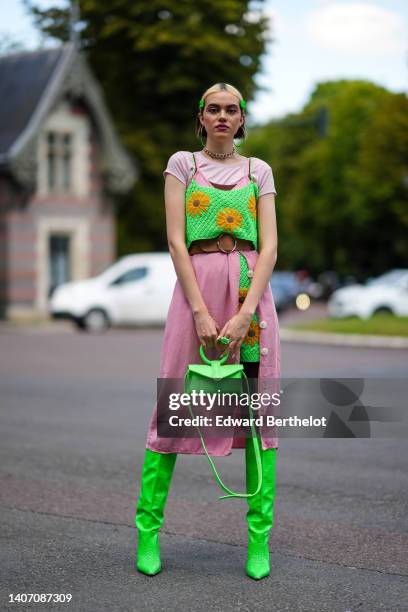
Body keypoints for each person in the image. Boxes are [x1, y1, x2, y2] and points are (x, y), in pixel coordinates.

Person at [134, 82, 280, 580]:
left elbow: (271, 247)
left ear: (242, 119)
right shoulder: (183, 165)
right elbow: (176, 241)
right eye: (213, 109)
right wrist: (199, 310)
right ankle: (148, 532)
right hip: (194, 291)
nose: (222, 116)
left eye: (231, 110)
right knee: (173, 408)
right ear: (201, 117)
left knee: (258, 417)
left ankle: (258, 542)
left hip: (248, 293)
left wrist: (246, 312)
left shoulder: (258, 171)